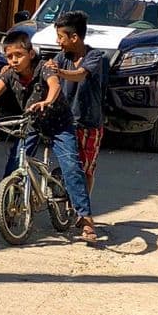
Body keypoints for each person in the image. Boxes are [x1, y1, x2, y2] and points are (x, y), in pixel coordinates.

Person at [0, 31, 97, 244]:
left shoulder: (45, 67)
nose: (13, 60)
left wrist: (47, 101)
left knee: (71, 166)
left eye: (18, 55)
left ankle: (85, 218)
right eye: (9, 56)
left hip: (59, 123)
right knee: (14, 163)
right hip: (32, 122)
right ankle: (8, 212)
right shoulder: (9, 74)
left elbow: (55, 86)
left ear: (31, 54)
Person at [50, 11, 105, 196]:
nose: (58, 42)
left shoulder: (95, 56)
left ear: (74, 37)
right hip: (65, 122)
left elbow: (81, 74)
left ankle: (83, 211)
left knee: (86, 170)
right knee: (69, 165)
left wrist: (58, 72)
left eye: (60, 37)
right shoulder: (61, 58)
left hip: (89, 123)